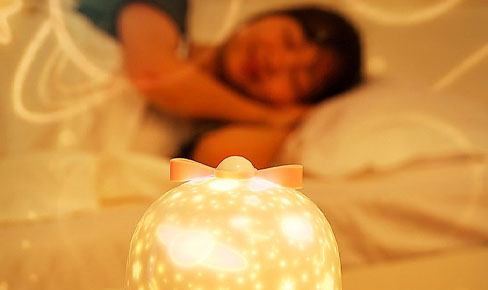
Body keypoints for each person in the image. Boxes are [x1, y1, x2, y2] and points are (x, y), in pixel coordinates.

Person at [78, 1, 362, 167]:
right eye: (289, 40)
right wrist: (265, 115)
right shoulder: (165, 11)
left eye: (296, 79)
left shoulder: (222, 123)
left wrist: (288, 124)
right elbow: (153, 75)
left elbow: (217, 163)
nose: (275, 62)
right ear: (266, 17)